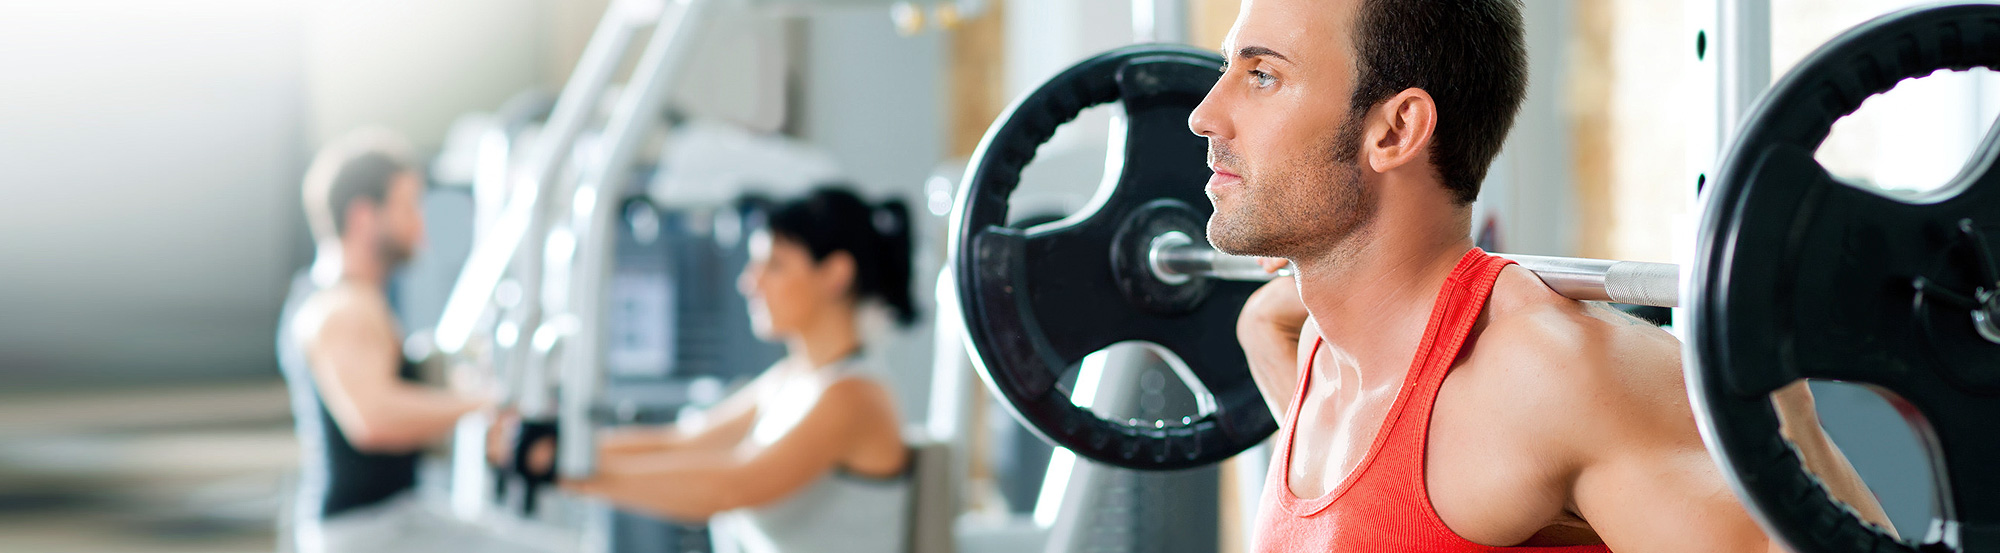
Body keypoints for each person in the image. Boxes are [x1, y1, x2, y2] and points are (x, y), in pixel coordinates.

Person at [1197, 1, 1893, 551]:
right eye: (1231, 67)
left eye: (1262, 76)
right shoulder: (1321, 349)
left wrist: (1784, 408)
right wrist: (1286, 303)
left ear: (1396, 130)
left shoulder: (1545, 373)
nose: (1204, 115)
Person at [515, 187, 919, 553]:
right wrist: (564, 445)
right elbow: (680, 442)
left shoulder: (855, 396)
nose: (750, 282)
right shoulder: (793, 379)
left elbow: (730, 487)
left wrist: (563, 470)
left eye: (774, 265)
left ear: (835, 274)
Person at [278, 129, 542, 553]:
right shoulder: (342, 308)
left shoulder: (345, 298)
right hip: (370, 531)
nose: (419, 223)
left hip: (386, 519)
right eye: (408, 206)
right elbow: (373, 420)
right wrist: (483, 404)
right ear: (364, 216)